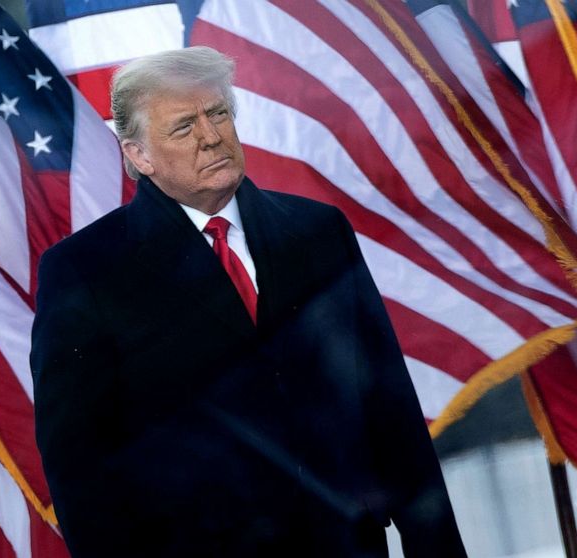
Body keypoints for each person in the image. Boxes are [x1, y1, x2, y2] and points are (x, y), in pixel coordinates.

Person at [31, 46, 466, 558]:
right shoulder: (85, 269)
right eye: (183, 127)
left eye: (218, 113)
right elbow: (79, 470)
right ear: (138, 155)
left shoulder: (318, 231)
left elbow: (390, 410)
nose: (211, 136)